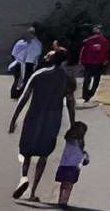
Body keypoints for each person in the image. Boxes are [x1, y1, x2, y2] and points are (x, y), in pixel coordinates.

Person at [8, 48, 78, 201]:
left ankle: (24, 178)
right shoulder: (67, 78)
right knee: (43, 155)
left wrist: (13, 119)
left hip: (33, 117)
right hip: (52, 120)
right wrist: (73, 124)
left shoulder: (38, 74)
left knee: (26, 153)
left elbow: (24, 98)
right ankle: (32, 192)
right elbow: (71, 103)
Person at [53, 121, 91, 208]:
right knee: (69, 186)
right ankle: (64, 202)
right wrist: (85, 157)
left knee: (63, 185)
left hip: (63, 165)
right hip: (73, 167)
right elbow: (80, 153)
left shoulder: (68, 140)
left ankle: (61, 201)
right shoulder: (80, 142)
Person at [6, 27, 42, 99]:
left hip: (28, 64)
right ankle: (16, 94)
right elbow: (14, 53)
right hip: (21, 63)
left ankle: (19, 94)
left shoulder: (36, 43)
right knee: (19, 79)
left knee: (24, 80)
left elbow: (37, 55)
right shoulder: (21, 42)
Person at [79, 25, 110, 103]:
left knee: (87, 78)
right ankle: (91, 93)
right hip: (98, 63)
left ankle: (85, 95)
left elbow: (83, 46)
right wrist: (104, 61)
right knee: (96, 79)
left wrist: (82, 60)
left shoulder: (88, 40)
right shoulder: (104, 40)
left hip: (88, 62)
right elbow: (105, 52)